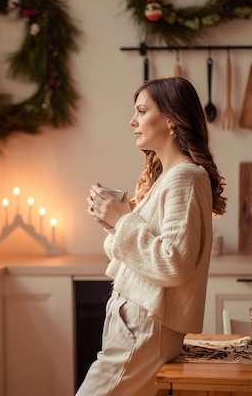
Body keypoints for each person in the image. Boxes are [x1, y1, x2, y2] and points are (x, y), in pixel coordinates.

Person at [77, 77, 227, 396]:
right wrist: (114, 222)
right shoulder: (168, 179)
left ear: (171, 119)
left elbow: (174, 263)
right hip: (135, 323)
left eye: (142, 111)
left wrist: (123, 220)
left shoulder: (186, 178)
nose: (133, 121)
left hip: (145, 325)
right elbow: (144, 255)